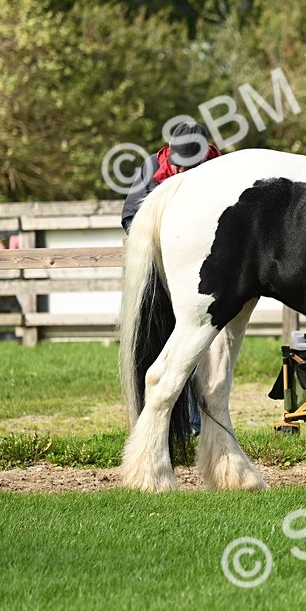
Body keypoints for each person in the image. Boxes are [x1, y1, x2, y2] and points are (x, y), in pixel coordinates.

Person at [122, 120, 222, 435]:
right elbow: (130, 217)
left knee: (197, 347)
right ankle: (157, 422)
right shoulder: (152, 167)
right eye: (179, 165)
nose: (182, 172)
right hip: (160, 268)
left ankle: (196, 422)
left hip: (202, 275)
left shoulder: (221, 168)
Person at [121, 120, 222, 232]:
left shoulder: (222, 171)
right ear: (170, 146)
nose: (180, 170)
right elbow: (129, 216)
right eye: (177, 162)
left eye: (188, 165)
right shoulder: (152, 166)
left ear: (204, 155)